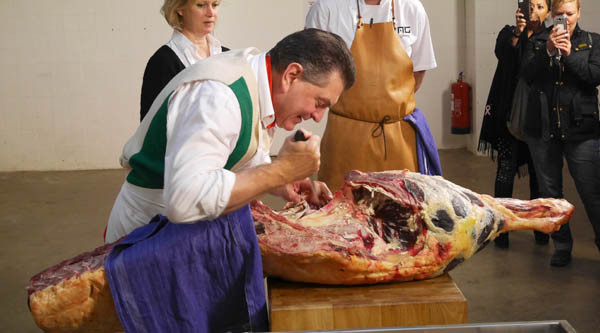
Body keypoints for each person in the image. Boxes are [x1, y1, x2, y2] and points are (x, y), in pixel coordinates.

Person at [103, 29, 356, 332]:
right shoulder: (217, 95)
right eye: (320, 102)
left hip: (182, 234)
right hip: (147, 234)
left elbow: (232, 150)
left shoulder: (258, 76)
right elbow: (184, 200)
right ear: (292, 74)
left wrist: (277, 182)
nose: (318, 117)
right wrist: (280, 170)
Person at [305, 0, 440, 191]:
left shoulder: (411, 8)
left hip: (398, 140)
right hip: (345, 139)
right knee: (339, 212)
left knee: (402, 211)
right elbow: (312, 73)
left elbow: (418, 70)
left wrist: (387, 107)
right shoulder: (326, 8)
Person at [521, 0, 600, 266]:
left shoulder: (592, 41)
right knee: (551, 194)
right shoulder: (537, 40)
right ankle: (562, 246)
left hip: (582, 132)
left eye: (569, 13)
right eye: (559, 14)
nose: (564, 18)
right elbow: (528, 75)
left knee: (592, 192)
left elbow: (594, 76)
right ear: (551, 15)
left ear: (579, 13)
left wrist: (569, 55)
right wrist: (547, 50)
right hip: (543, 130)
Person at [478, 0, 551, 249]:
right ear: (520, 8)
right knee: (505, 170)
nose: (535, 11)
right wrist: (519, 34)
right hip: (509, 115)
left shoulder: (551, 36)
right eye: (531, 5)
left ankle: (539, 228)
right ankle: (502, 228)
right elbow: (503, 54)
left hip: (539, 118)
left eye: (541, 6)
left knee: (538, 176)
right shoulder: (508, 33)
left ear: (549, 12)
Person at [140, 0, 229, 121]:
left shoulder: (227, 55)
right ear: (180, 8)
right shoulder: (163, 62)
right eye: (201, 5)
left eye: (215, 5)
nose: (211, 13)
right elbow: (151, 129)